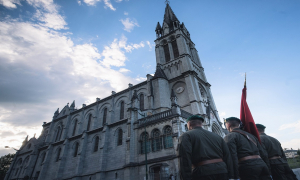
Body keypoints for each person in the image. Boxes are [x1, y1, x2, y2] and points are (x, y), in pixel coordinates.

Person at [177, 115, 234, 180]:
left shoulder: (186, 136)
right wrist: (231, 175)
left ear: (189, 124)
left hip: (202, 173)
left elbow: (184, 159)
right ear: (201, 124)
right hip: (223, 172)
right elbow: (227, 156)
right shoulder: (217, 136)